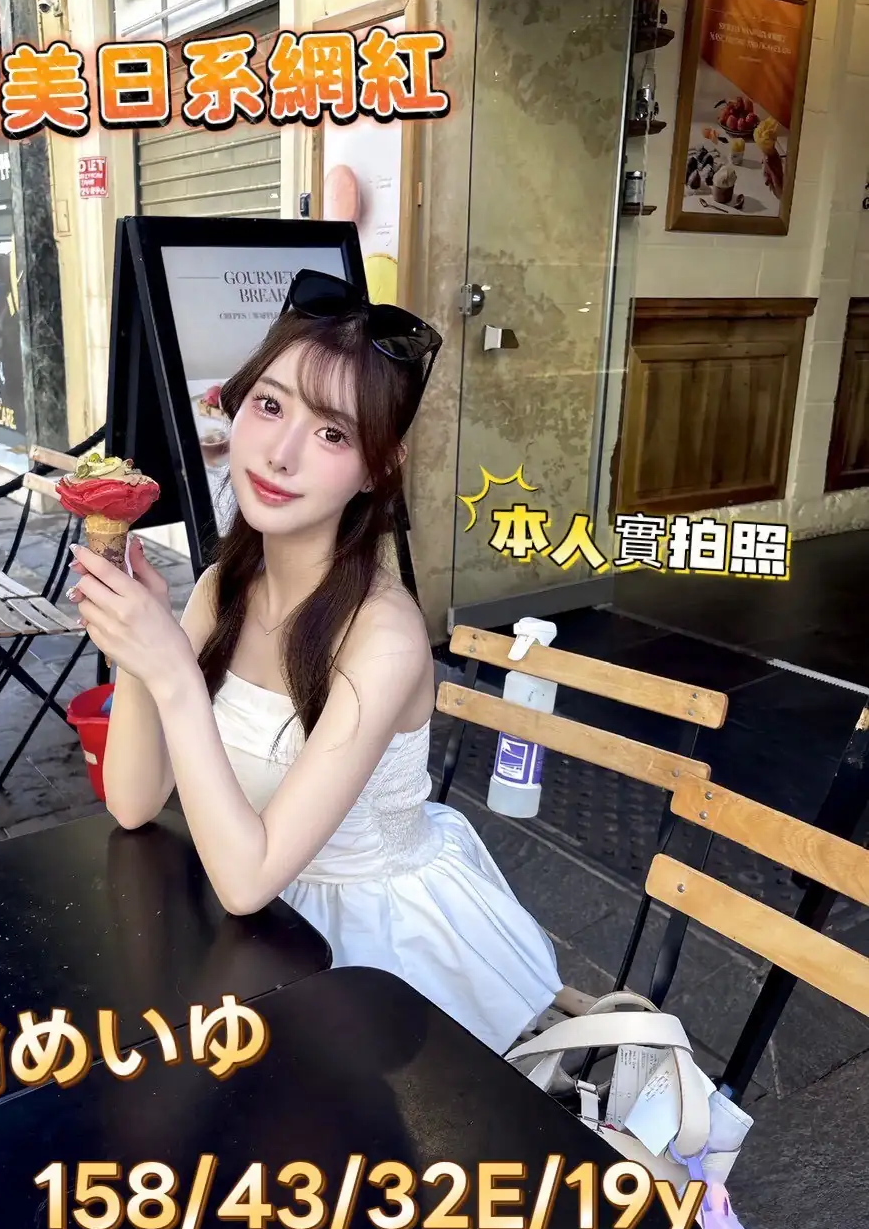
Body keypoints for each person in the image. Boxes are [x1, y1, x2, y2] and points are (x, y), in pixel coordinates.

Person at [70, 270, 562, 1057]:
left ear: (376, 468)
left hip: (375, 954)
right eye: (270, 406)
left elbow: (247, 879)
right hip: (255, 932)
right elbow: (132, 802)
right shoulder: (222, 587)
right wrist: (137, 649)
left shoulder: (385, 637)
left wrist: (172, 673)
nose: (282, 453)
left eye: (333, 433)